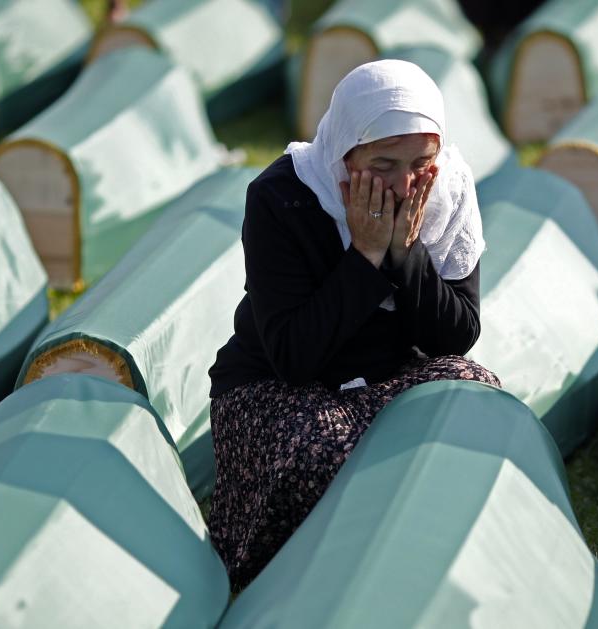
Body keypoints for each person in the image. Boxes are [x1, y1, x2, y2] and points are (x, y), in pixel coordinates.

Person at [207, 59, 500, 590]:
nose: (405, 183)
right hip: (278, 387)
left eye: (421, 162)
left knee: (477, 396)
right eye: (383, 163)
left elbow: (456, 335)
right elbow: (295, 358)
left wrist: (404, 253)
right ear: (345, 152)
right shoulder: (282, 198)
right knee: (325, 455)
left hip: (388, 379)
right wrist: (364, 255)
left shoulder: (447, 190)